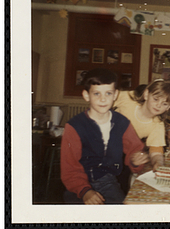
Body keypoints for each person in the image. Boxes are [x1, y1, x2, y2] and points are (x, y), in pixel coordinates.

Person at [60, 68, 149, 205]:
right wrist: (85, 191)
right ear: (86, 95)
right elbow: (70, 168)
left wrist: (136, 160)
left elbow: (135, 150)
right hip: (77, 185)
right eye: (96, 93)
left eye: (108, 93)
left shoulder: (122, 123)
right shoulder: (74, 127)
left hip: (108, 183)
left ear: (115, 95)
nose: (103, 99)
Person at [114, 79, 170, 171]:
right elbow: (106, 98)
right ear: (146, 95)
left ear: (168, 107)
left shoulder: (157, 125)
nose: (158, 105)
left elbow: (156, 151)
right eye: (156, 99)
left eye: (164, 103)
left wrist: (158, 163)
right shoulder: (128, 98)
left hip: (120, 152)